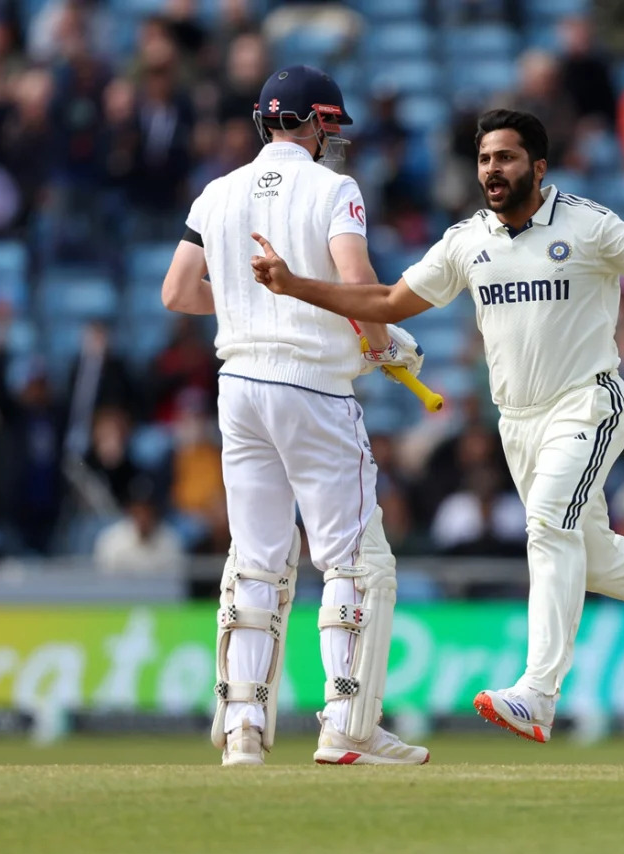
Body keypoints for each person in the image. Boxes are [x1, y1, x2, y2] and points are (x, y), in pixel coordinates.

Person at [251, 108, 624, 743]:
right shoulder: (466, 240)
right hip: (519, 424)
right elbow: (391, 302)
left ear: (538, 166)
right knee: (588, 557)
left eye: (505, 158)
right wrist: (294, 285)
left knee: (545, 526)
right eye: (484, 159)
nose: (492, 170)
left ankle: (538, 692)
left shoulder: (588, 225)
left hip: (588, 402)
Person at [161, 65, 428, 766]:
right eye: (327, 128)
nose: (329, 141)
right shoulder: (334, 188)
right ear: (314, 123)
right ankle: (347, 726)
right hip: (312, 385)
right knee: (353, 559)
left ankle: (242, 730)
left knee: (256, 560)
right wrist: (381, 345)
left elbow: (177, 291)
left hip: (239, 385)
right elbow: (358, 282)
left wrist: (258, 309)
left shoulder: (216, 193)